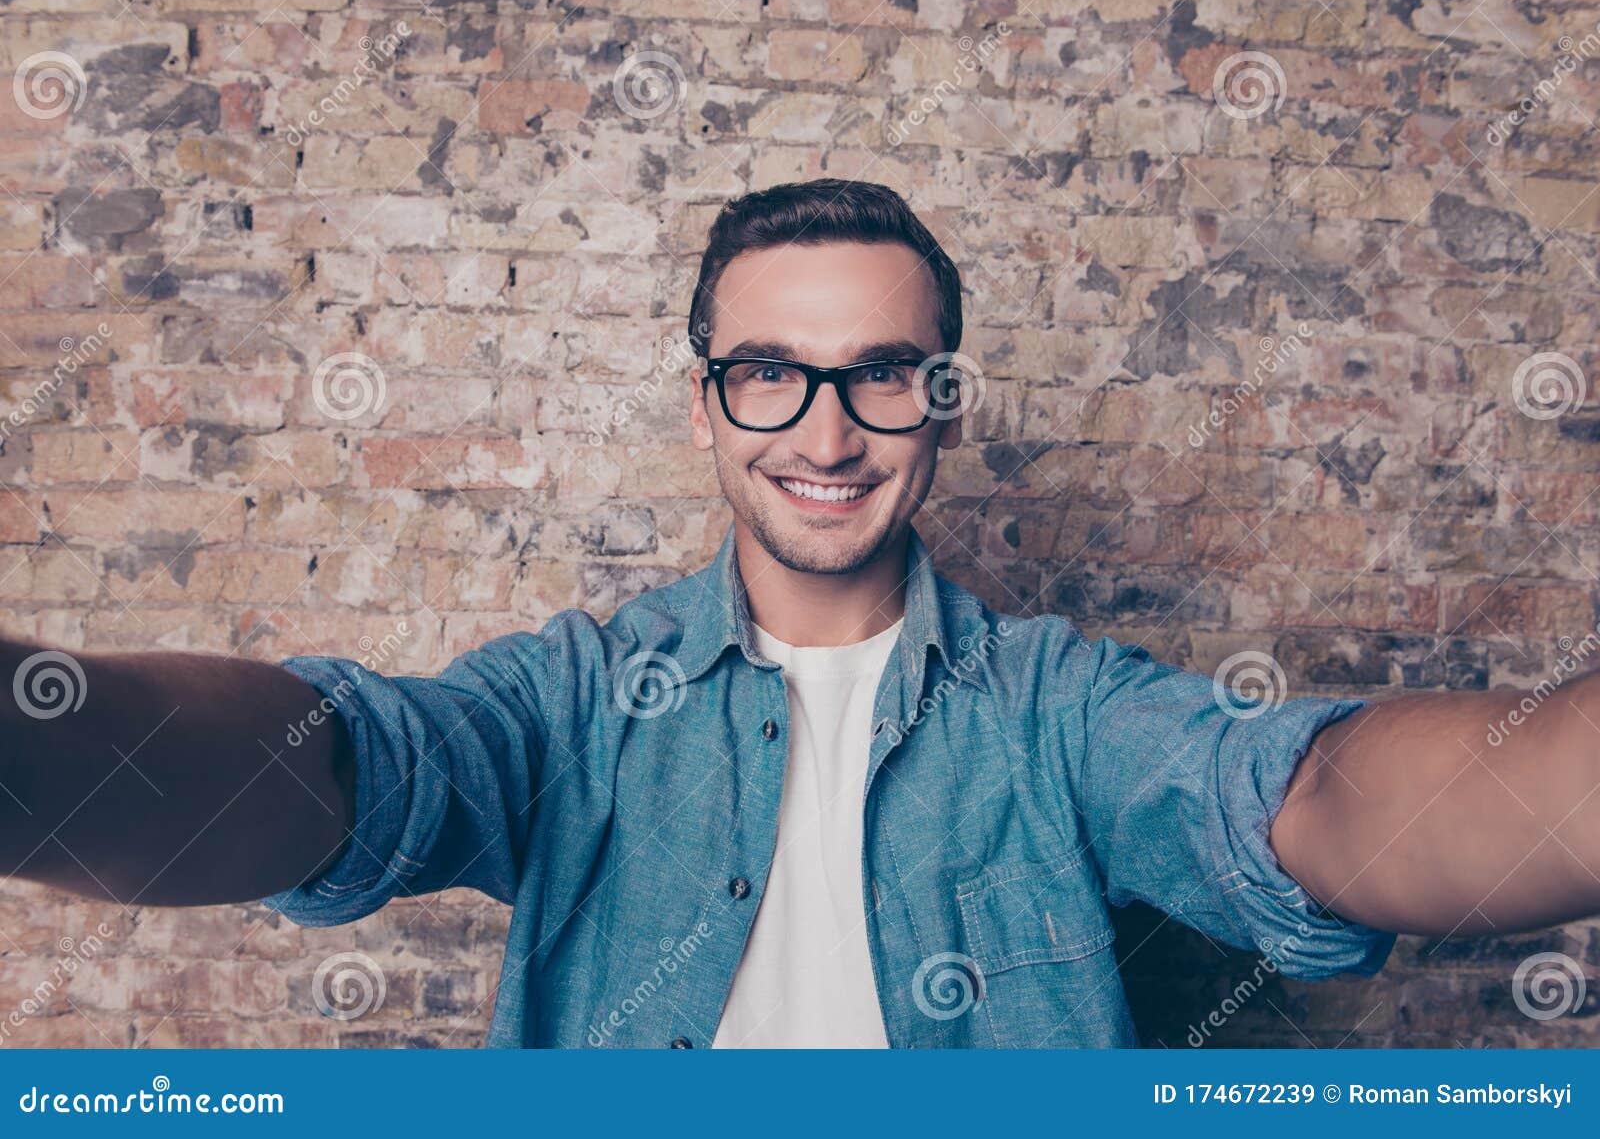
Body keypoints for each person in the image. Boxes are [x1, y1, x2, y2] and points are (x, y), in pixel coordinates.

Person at [3, 179, 1597, 1048]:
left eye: (881, 374)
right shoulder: (573, 702)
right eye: (771, 373)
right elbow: (329, 773)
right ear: (706, 406)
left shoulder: (1057, 711)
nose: (826, 434)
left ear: (941, 403)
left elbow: (1314, 800)